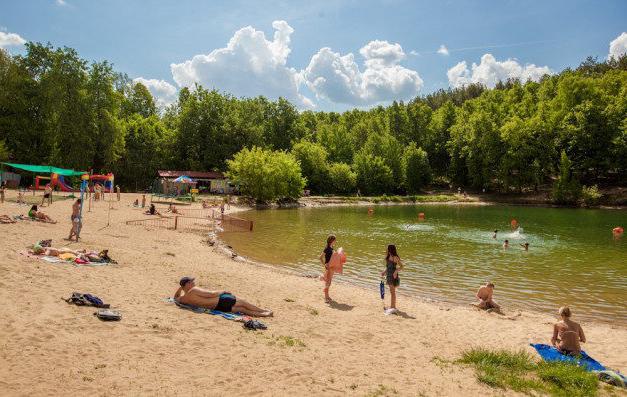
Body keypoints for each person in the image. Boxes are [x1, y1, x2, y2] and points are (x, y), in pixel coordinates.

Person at [174, 277, 272, 317]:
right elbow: (212, 294)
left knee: (243, 310)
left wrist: (181, 289)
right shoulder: (194, 290)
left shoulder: (183, 299)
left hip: (218, 308)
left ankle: (264, 315)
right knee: (244, 303)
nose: (194, 282)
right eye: (191, 281)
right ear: (188, 284)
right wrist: (223, 291)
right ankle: (263, 310)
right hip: (221, 300)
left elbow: (175, 297)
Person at [380, 244, 403, 311]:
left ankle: (393, 307)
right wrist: (384, 272)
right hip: (388, 276)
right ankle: (392, 306)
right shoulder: (388, 257)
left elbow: (401, 267)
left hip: (393, 276)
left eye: (387, 248)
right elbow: (388, 268)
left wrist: (396, 271)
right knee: (391, 291)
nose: (386, 249)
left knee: (392, 292)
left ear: (390, 249)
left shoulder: (395, 257)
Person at [319, 234, 337, 303]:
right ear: (332, 240)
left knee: (329, 282)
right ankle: (326, 297)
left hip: (332, 267)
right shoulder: (327, 248)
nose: (335, 241)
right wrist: (324, 264)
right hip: (328, 267)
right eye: (335, 240)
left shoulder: (332, 248)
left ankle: (327, 295)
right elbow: (320, 257)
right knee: (328, 282)